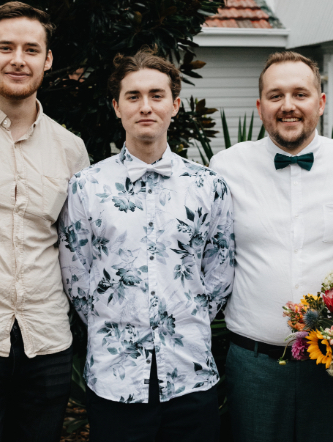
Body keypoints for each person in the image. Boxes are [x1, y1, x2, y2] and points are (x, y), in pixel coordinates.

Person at [209, 51, 333, 442]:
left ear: (320, 102)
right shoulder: (225, 167)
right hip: (253, 364)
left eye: (300, 94)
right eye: (276, 95)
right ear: (260, 106)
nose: (287, 105)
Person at [58, 47, 235, 442]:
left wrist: (183, 316)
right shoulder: (87, 186)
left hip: (191, 375)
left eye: (157, 95)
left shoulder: (209, 186)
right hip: (115, 378)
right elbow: (77, 278)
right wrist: (120, 320)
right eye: (133, 96)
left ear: (175, 105)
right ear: (117, 107)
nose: (145, 107)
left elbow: (219, 273)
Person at [0, 2, 90, 442]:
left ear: (47, 60)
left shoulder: (70, 149)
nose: (18, 59)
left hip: (45, 341)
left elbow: (78, 244)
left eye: (31, 50)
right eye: (6, 47)